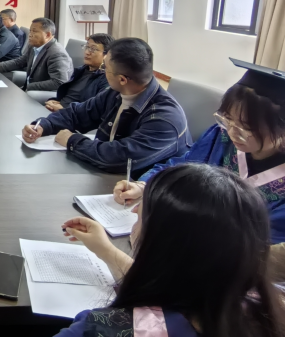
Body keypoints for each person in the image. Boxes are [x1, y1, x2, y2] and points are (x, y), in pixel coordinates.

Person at [29, 163, 285, 337]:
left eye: (140, 216)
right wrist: (106, 250)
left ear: (161, 244)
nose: (134, 219)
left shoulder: (106, 333)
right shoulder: (270, 316)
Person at [118, 58, 285, 245]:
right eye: (228, 120)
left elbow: (270, 243)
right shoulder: (220, 136)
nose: (232, 132)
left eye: (246, 128)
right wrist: (143, 185)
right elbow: (181, 167)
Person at [22, 38, 190, 174]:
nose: (102, 71)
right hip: (107, 178)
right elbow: (77, 114)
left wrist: (72, 141)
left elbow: (119, 158)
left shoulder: (165, 118)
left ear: (122, 79)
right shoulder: (115, 93)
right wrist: (43, 125)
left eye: (105, 67)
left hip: (141, 192)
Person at [0, 17, 72, 92]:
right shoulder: (34, 46)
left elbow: (59, 82)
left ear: (47, 35)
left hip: (43, 94)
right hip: (29, 89)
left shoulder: (57, 53)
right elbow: (20, 62)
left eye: (34, 31)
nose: (30, 35)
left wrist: (27, 87)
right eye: (30, 31)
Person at [44, 33, 113, 111]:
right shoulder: (80, 70)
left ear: (107, 55)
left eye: (93, 49)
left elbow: (95, 109)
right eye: (87, 47)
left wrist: (63, 110)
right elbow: (69, 95)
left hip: (71, 115)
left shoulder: (106, 79)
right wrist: (54, 100)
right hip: (60, 110)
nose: (87, 52)